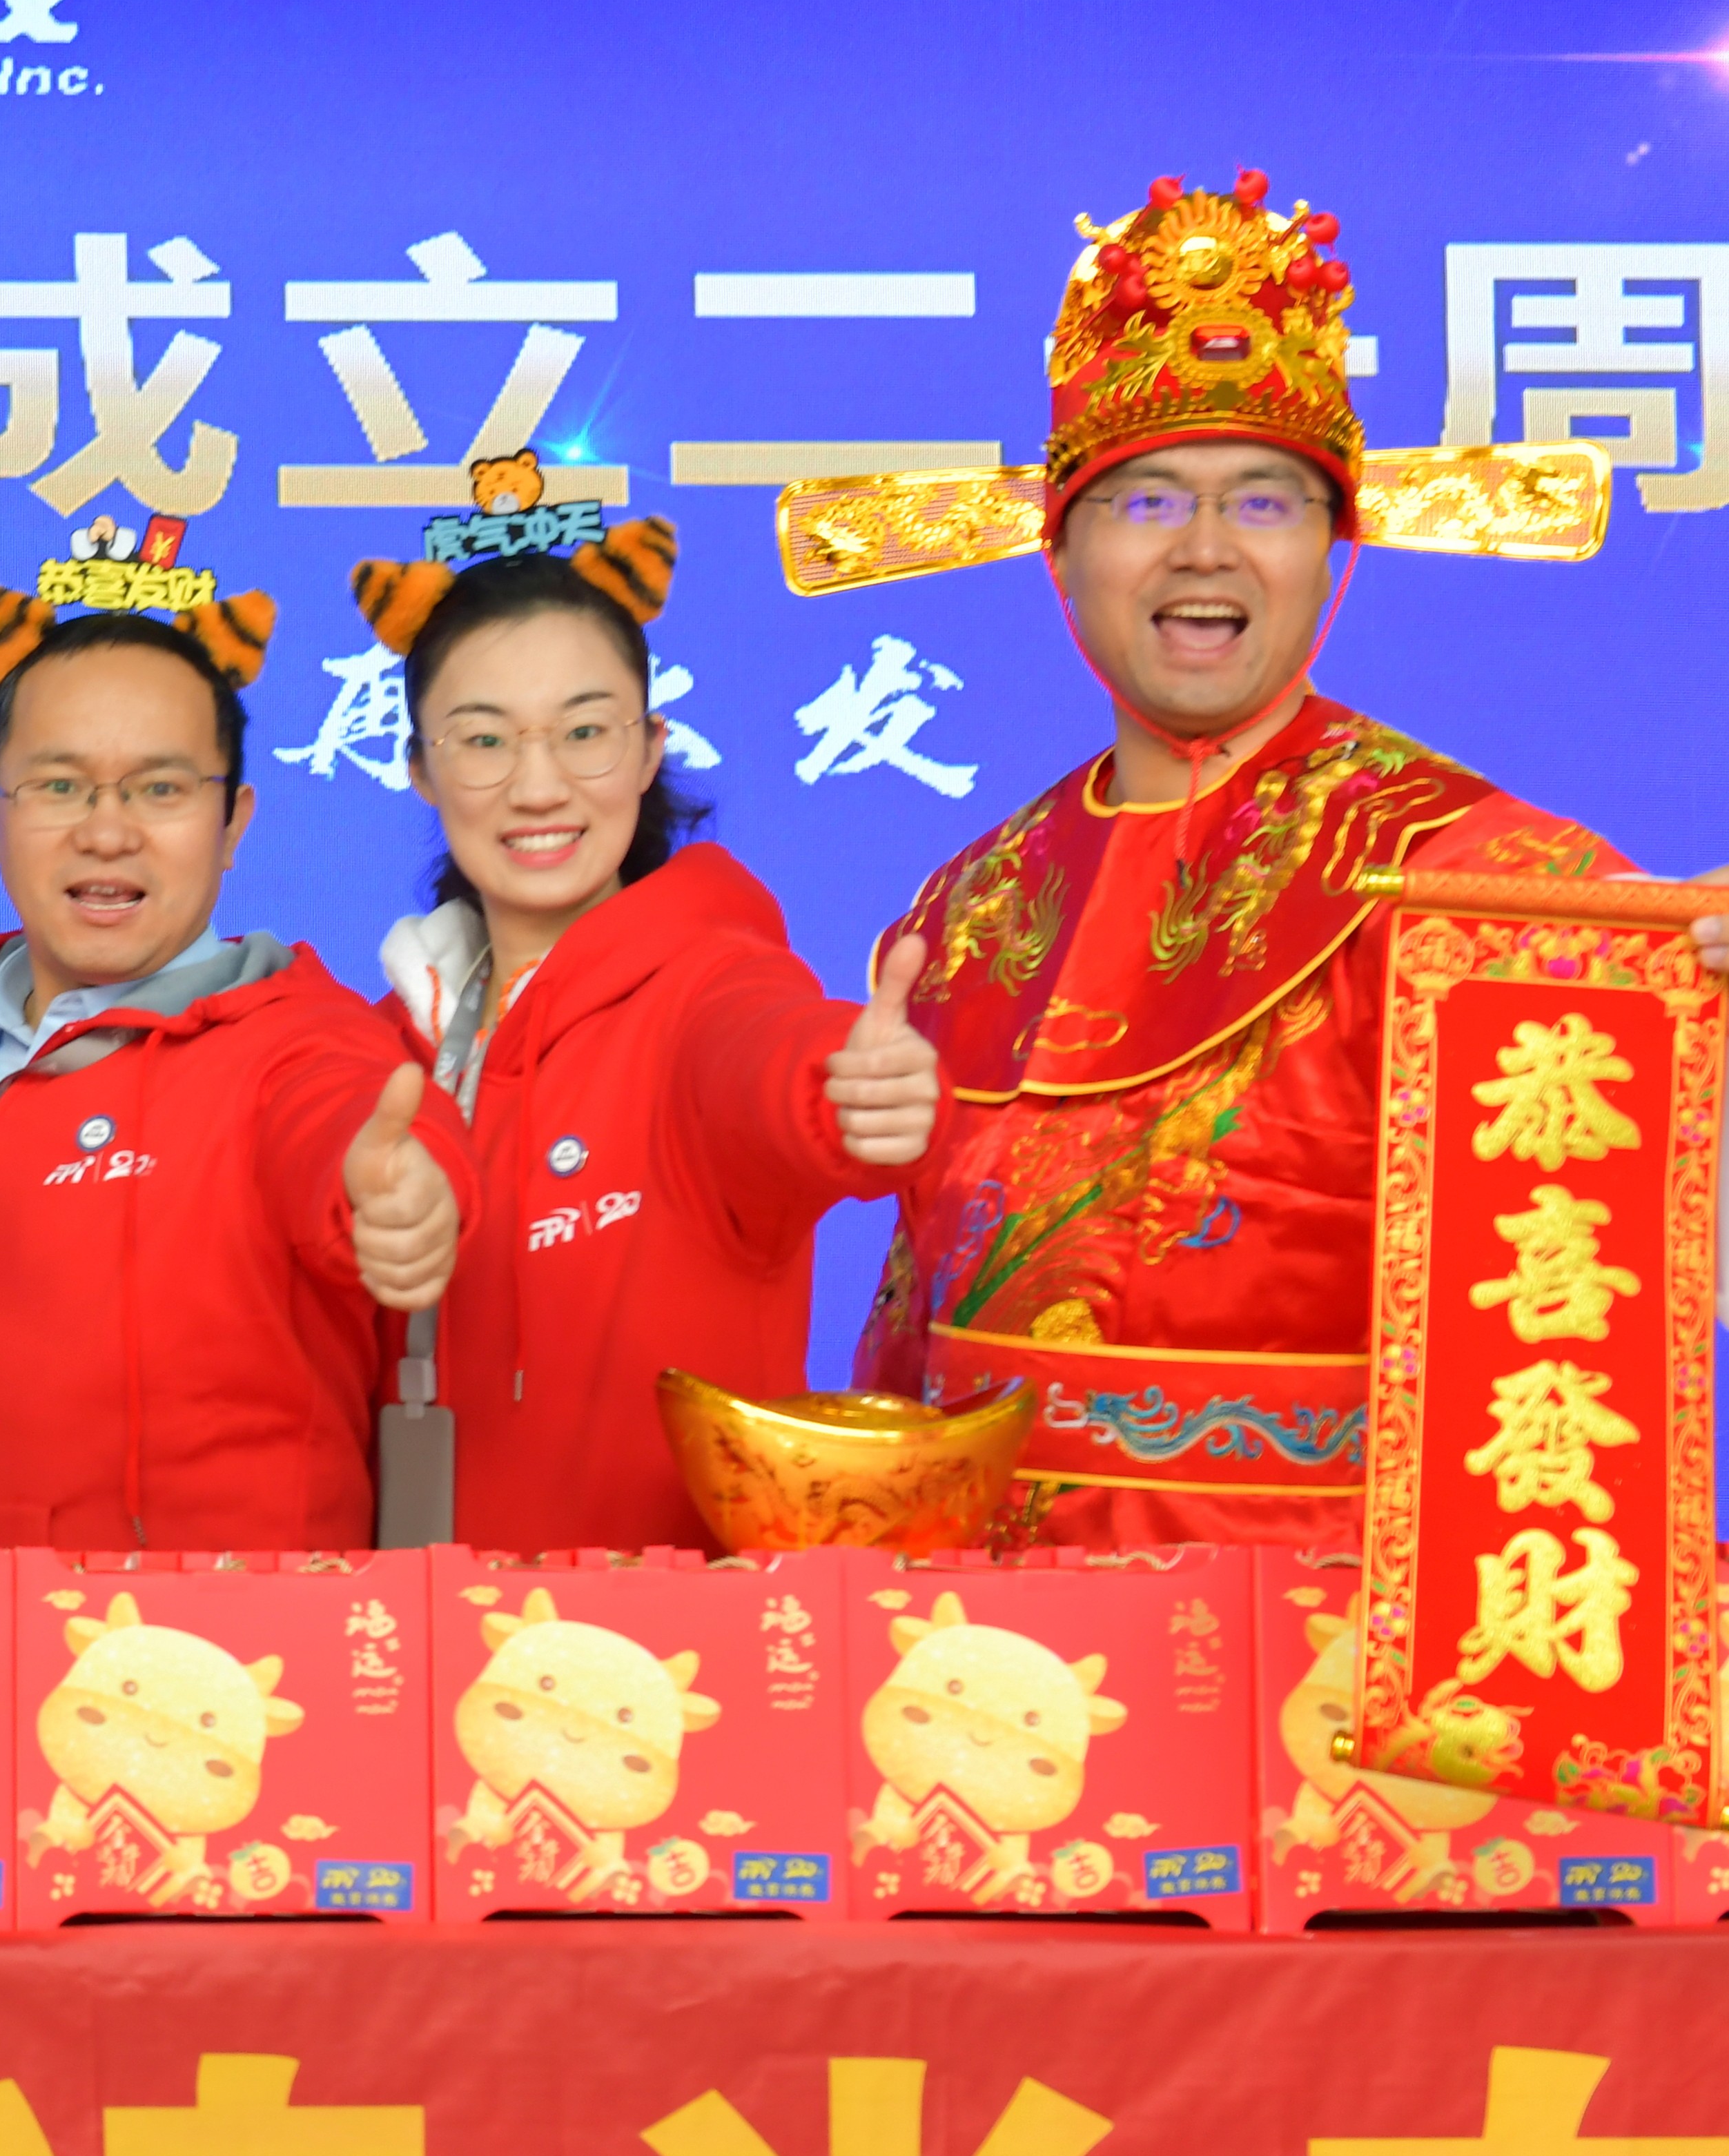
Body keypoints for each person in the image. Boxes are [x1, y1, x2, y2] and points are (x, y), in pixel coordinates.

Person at [812, 172, 1636, 1544]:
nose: (1204, 549)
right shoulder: (964, 906)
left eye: (1263, 502)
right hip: (980, 1636)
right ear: (1057, 554)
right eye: (1145, 502)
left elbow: (1610, 1278)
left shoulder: (1479, 879)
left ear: (1335, 553)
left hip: (1319, 1630)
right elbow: (909, 1332)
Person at [353, 522, 941, 1549]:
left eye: (585, 732)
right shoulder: (387, 1046)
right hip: (408, 1634)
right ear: (420, 771)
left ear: (650, 749)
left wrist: (841, 1091)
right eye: (484, 741)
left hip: (672, 1643)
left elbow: (764, 1055)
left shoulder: (707, 985)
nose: (538, 786)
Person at [0, 567, 470, 1551]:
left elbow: (352, 1125)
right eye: (59, 786)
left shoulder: (301, 1044)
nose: (107, 832)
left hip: (218, 1644)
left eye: (160, 789)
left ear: (233, 824)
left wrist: (394, 1195)